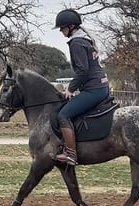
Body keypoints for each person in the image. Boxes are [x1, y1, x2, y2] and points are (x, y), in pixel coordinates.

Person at [53, 9, 109, 166]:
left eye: (62, 27)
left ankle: (71, 155)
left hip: (94, 89)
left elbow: (83, 71)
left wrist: (70, 89)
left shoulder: (77, 43)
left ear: (71, 27)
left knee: (63, 115)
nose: (60, 30)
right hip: (100, 86)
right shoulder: (85, 40)